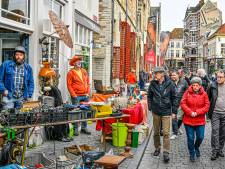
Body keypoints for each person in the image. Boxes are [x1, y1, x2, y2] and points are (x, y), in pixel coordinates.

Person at [148, 67, 178, 163]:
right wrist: (150, 106)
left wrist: (174, 111)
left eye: (156, 73)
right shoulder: (152, 84)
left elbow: (174, 98)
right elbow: (149, 96)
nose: (154, 75)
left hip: (166, 111)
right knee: (156, 132)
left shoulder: (170, 84)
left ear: (162, 74)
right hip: (156, 111)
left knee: (166, 133)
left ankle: (166, 152)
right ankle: (157, 148)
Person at [181, 77, 210, 162]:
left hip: (200, 120)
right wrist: (190, 112)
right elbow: (183, 103)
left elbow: (207, 105)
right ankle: (192, 153)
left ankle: (196, 147)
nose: (195, 87)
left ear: (200, 86)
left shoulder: (204, 94)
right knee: (190, 138)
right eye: (193, 85)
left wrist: (197, 112)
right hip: (188, 120)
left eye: (196, 85)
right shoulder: (187, 93)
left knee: (200, 137)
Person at [67, 55, 91, 136]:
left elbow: (87, 82)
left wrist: (87, 92)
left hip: (85, 95)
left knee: (85, 112)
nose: (79, 62)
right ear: (73, 63)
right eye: (77, 61)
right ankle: (76, 129)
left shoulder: (84, 71)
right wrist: (74, 95)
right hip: (76, 96)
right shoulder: (70, 73)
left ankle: (84, 127)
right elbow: (69, 85)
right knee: (76, 113)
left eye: (79, 61)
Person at [208, 70, 225, 160]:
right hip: (215, 112)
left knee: (223, 132)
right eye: (217, 76)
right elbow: (208, 98)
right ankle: (215, 150)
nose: (218, 79)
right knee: (215, 131)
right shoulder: (212, 85)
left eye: (221, 77)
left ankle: (220, 149)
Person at [170, 70, 188, 139]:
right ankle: (175, 133)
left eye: (174, 75)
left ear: (178, 75)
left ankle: (177, 128)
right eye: (172, 75)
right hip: (172, 103)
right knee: (174, 117)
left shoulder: (184, 82)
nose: (173, 76)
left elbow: (188, 91)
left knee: (180, 118)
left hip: (181, 103)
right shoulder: (170, 83)